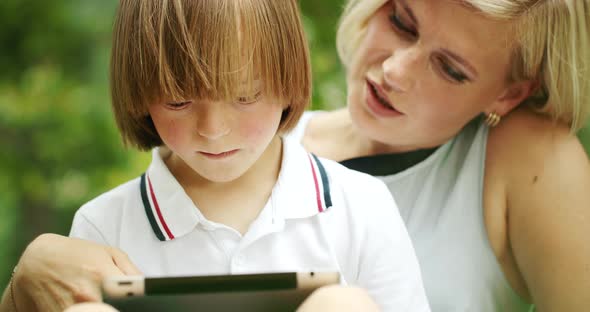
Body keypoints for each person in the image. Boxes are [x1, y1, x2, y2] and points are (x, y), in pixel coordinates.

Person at [68, 0, 429, 311]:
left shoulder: (360, 207)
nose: (213, 129)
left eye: (245, 98)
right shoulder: (104, 225)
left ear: (288, 79)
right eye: (178, 101)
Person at [287, 0, 590, 311]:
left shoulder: (529, 158)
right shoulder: (264, 144)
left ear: (509, 94)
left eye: (449, 69)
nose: (394, 71)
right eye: (401, 23)